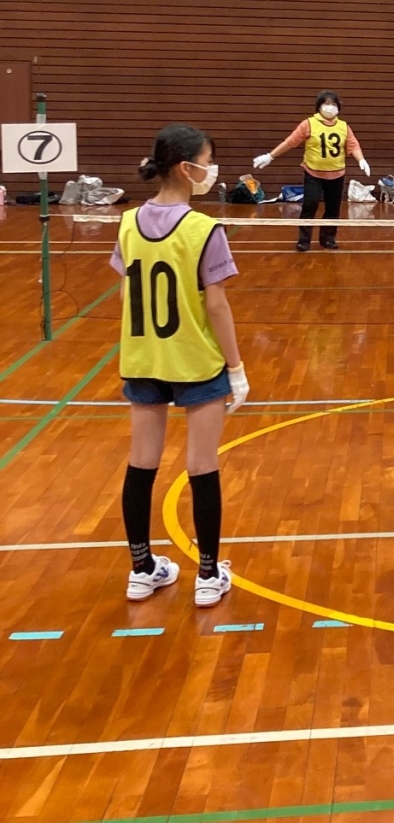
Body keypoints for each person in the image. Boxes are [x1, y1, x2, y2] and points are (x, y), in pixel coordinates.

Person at [112, 124, 250, 608]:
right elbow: (217, 307)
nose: (212, 171)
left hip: (144, 359)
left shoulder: (127, 223)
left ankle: (141, 567)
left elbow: (128, 292)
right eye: (208, 160)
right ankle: (208, 574)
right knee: (201, 466)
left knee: (141, 464)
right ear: (184, 167)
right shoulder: (204, 229)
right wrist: (235, 367)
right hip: (194, 361)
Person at [253, 90, 371, 253]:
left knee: (333, 208)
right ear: (319, 106)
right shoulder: (308, 124)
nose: (330, 107)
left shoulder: (344, 126)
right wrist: (270, 156)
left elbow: (353, 145)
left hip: (337, 174)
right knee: (310, 205)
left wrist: (361, 160)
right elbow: (290, 142)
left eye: (334, 104)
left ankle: (328, 239)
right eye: (326, 103)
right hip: (313, 173)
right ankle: (304, 240)